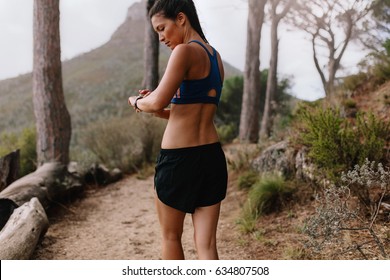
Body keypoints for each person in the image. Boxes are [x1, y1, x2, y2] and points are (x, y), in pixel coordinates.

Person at [128, 0, 227, 260]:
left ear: (181, 19)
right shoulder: (216, 58)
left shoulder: (183, 52)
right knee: (206, 245)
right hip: (211, 158)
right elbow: (188, 112)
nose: (161, 37)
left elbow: (157, 101)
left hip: (179, 162)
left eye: (162, 28)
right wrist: (157, 106)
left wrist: (138, 102)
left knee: (171, 237)